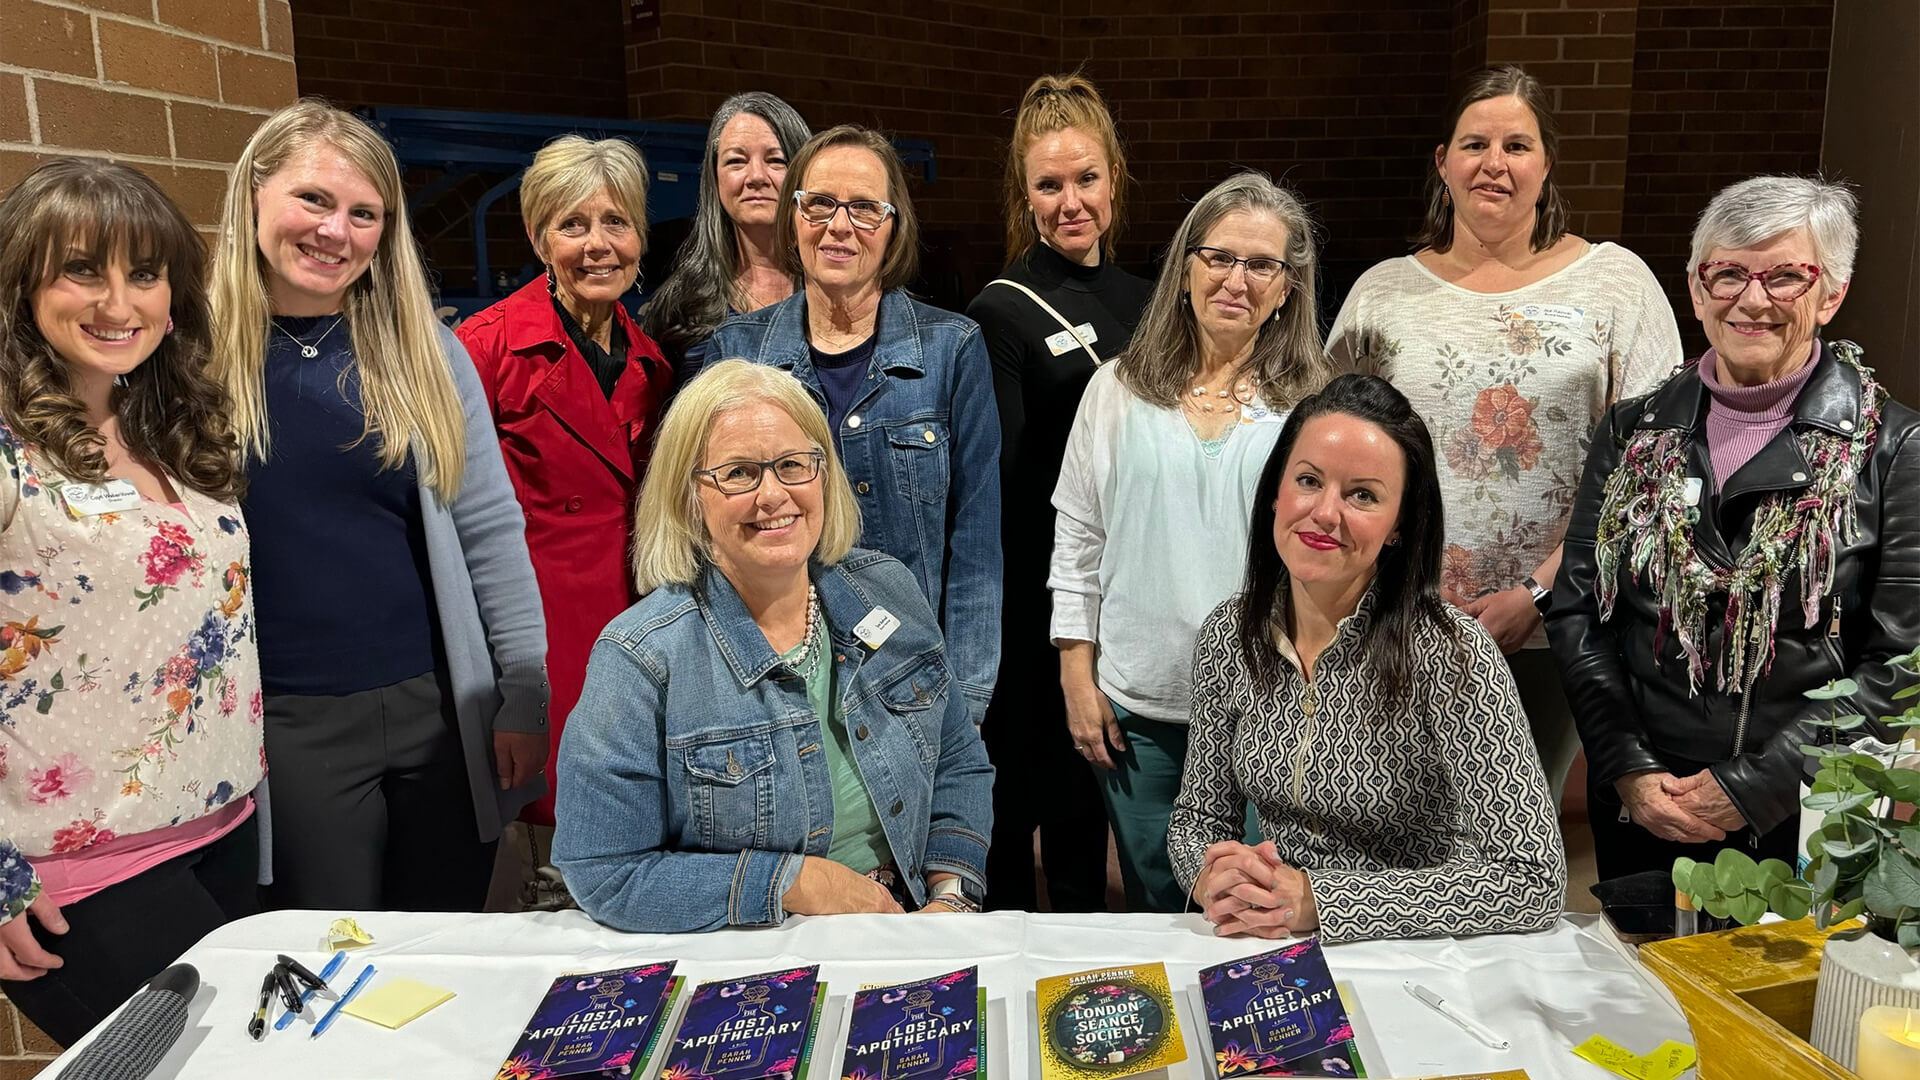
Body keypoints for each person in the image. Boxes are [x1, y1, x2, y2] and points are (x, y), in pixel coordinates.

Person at [209, 99, 549, 911]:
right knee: (331, 965)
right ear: (255, 191)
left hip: (438, 712)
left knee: (443, 951)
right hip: (289, 726)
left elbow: (490, 530)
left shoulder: (426, 351)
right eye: (314, 200)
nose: (338, 231)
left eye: (366, 214)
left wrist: (523, 692)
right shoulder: (196, 354)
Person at [1327, 64, 1683, 811]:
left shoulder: (1617, 286)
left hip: (1553, 631)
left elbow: (1652, 472)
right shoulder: (1381, 292)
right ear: (1443, 162)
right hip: (1396, 623)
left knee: (1510, 839)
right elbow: (1328, 457)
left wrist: (1540, 592)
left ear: (1547, 163)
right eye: (1475, 143)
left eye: (1517, 145)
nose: (1495, 163)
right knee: (1389, 834)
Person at [1549, 176, 1920, 880]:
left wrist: (1753, 788)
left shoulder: (1894, 448)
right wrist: (1627, 765)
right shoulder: (1634, 430)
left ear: (1831, 292)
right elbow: (1580, 612)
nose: (1753, 300)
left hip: (1805, 817)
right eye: (1728, 274)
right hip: (1643, 807)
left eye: (1786, 276)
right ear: (1696, 288)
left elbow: (1899, 665)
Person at [552, 361, 994, 933]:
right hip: (754, 951)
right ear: (690, 497)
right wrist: (794, 881)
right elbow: (607, 875)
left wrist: (951, 896)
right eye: (739, 473)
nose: (774, 495)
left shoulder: (886, 588)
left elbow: (957, 758)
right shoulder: (640, 658)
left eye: (792, 465)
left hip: (908, 924)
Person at [0, 159, 263, 1044]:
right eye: (83, 269)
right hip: (80, 875)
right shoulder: (7, 450)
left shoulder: (168, 427)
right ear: (22, 284)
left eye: (144, 274)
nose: (119, 303)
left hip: (222, 827)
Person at [1168, 374, 1567, 942]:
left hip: (1425, 966)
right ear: (1276, 492)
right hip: (1282, 949)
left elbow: (1533, 880)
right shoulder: (1230, 635)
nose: (1326, 513)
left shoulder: (1453, 654)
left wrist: (1322, 901)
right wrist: (1214, 876)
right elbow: (1198, 820)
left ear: (1400, 524)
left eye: (1362, 495)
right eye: (1308, 480)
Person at [1050, 171, 1334, 912]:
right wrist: (1078, 676)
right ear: (1185, 268)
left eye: (1261, 264)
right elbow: (1078, 537)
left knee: (1254, 907)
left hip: (1272, 707)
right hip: (1137, 707)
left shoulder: (1312, 405)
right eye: (1219, 258)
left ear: (1288, 288)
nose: (1236, 280)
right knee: (1159, 902)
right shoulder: (1115, 389)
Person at [708, 125, 1001, 727]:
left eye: (865, 208)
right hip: (774, 678)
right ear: (794, 218)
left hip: (910, 680)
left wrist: (966, 702)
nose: (839, 226)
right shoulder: (736, 353)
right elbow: (709, 532)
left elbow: (975, 546)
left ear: (894, 227)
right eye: (819, 203)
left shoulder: (953, 351)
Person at [965, 74, 1148, 914]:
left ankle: (1083, 968)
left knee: (1088, 797)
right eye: (1049, 184)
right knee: (1013, 806)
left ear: (1114, 177)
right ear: (1025, 193)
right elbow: (1000, 480)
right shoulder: (1000, 310)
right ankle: (999, 965)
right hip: (1034, 594)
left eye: (1086, 179)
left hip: (1124, 591)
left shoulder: (1150, 302)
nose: (1070, 201)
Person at [455, 136, 672, 831]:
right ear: (538, 237)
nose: (598, 245)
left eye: (617, 222)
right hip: (537, 640)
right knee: (544, 837)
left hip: (634, 629)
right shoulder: (485, 350)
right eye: (572, 225)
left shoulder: (651, 363)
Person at [644, 92, 812, 381]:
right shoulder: (680, 304)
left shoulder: (837, 292)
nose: (756, 176)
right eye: (737, 161)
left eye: (776, 160)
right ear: (715, 177)